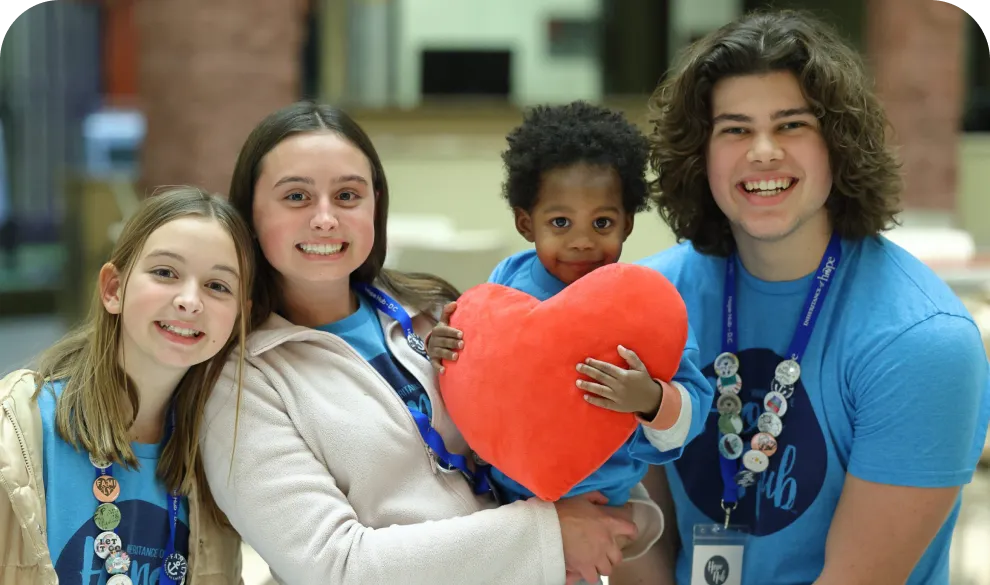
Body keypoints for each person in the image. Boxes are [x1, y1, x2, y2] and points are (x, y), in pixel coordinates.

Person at [614, 9, 990, 585]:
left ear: (838, 144)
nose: (763, 151)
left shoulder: (922, 341)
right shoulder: (649, 303)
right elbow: (639, 536)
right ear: (701, 154)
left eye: (792, 125)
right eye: (735, 129)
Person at [199, 101, 643, 585]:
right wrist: (547, 536)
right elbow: (334, 566)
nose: (325, 219)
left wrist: (614, 515)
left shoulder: (437, 314)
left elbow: (544, 436)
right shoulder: (242, 385)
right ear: (250, 212)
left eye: (348, 195)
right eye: (296, 197)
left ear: (376, 203)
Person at [425, 102, 714, 569]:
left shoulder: (644, 307)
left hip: (604, 505)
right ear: (526, 224)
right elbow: (476, 364)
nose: (582, 241)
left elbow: (695, 404)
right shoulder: (506, 283)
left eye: (602, 223)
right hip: (506, 503)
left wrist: (652, 400)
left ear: (627, 223)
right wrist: (442, 347)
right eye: (561, 223)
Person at [0, 187, 253, 585]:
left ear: (240, 316)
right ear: (113, 289)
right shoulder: (17, 435)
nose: (190, 301)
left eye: (218, 286)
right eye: (165, 273)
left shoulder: (219, 460)